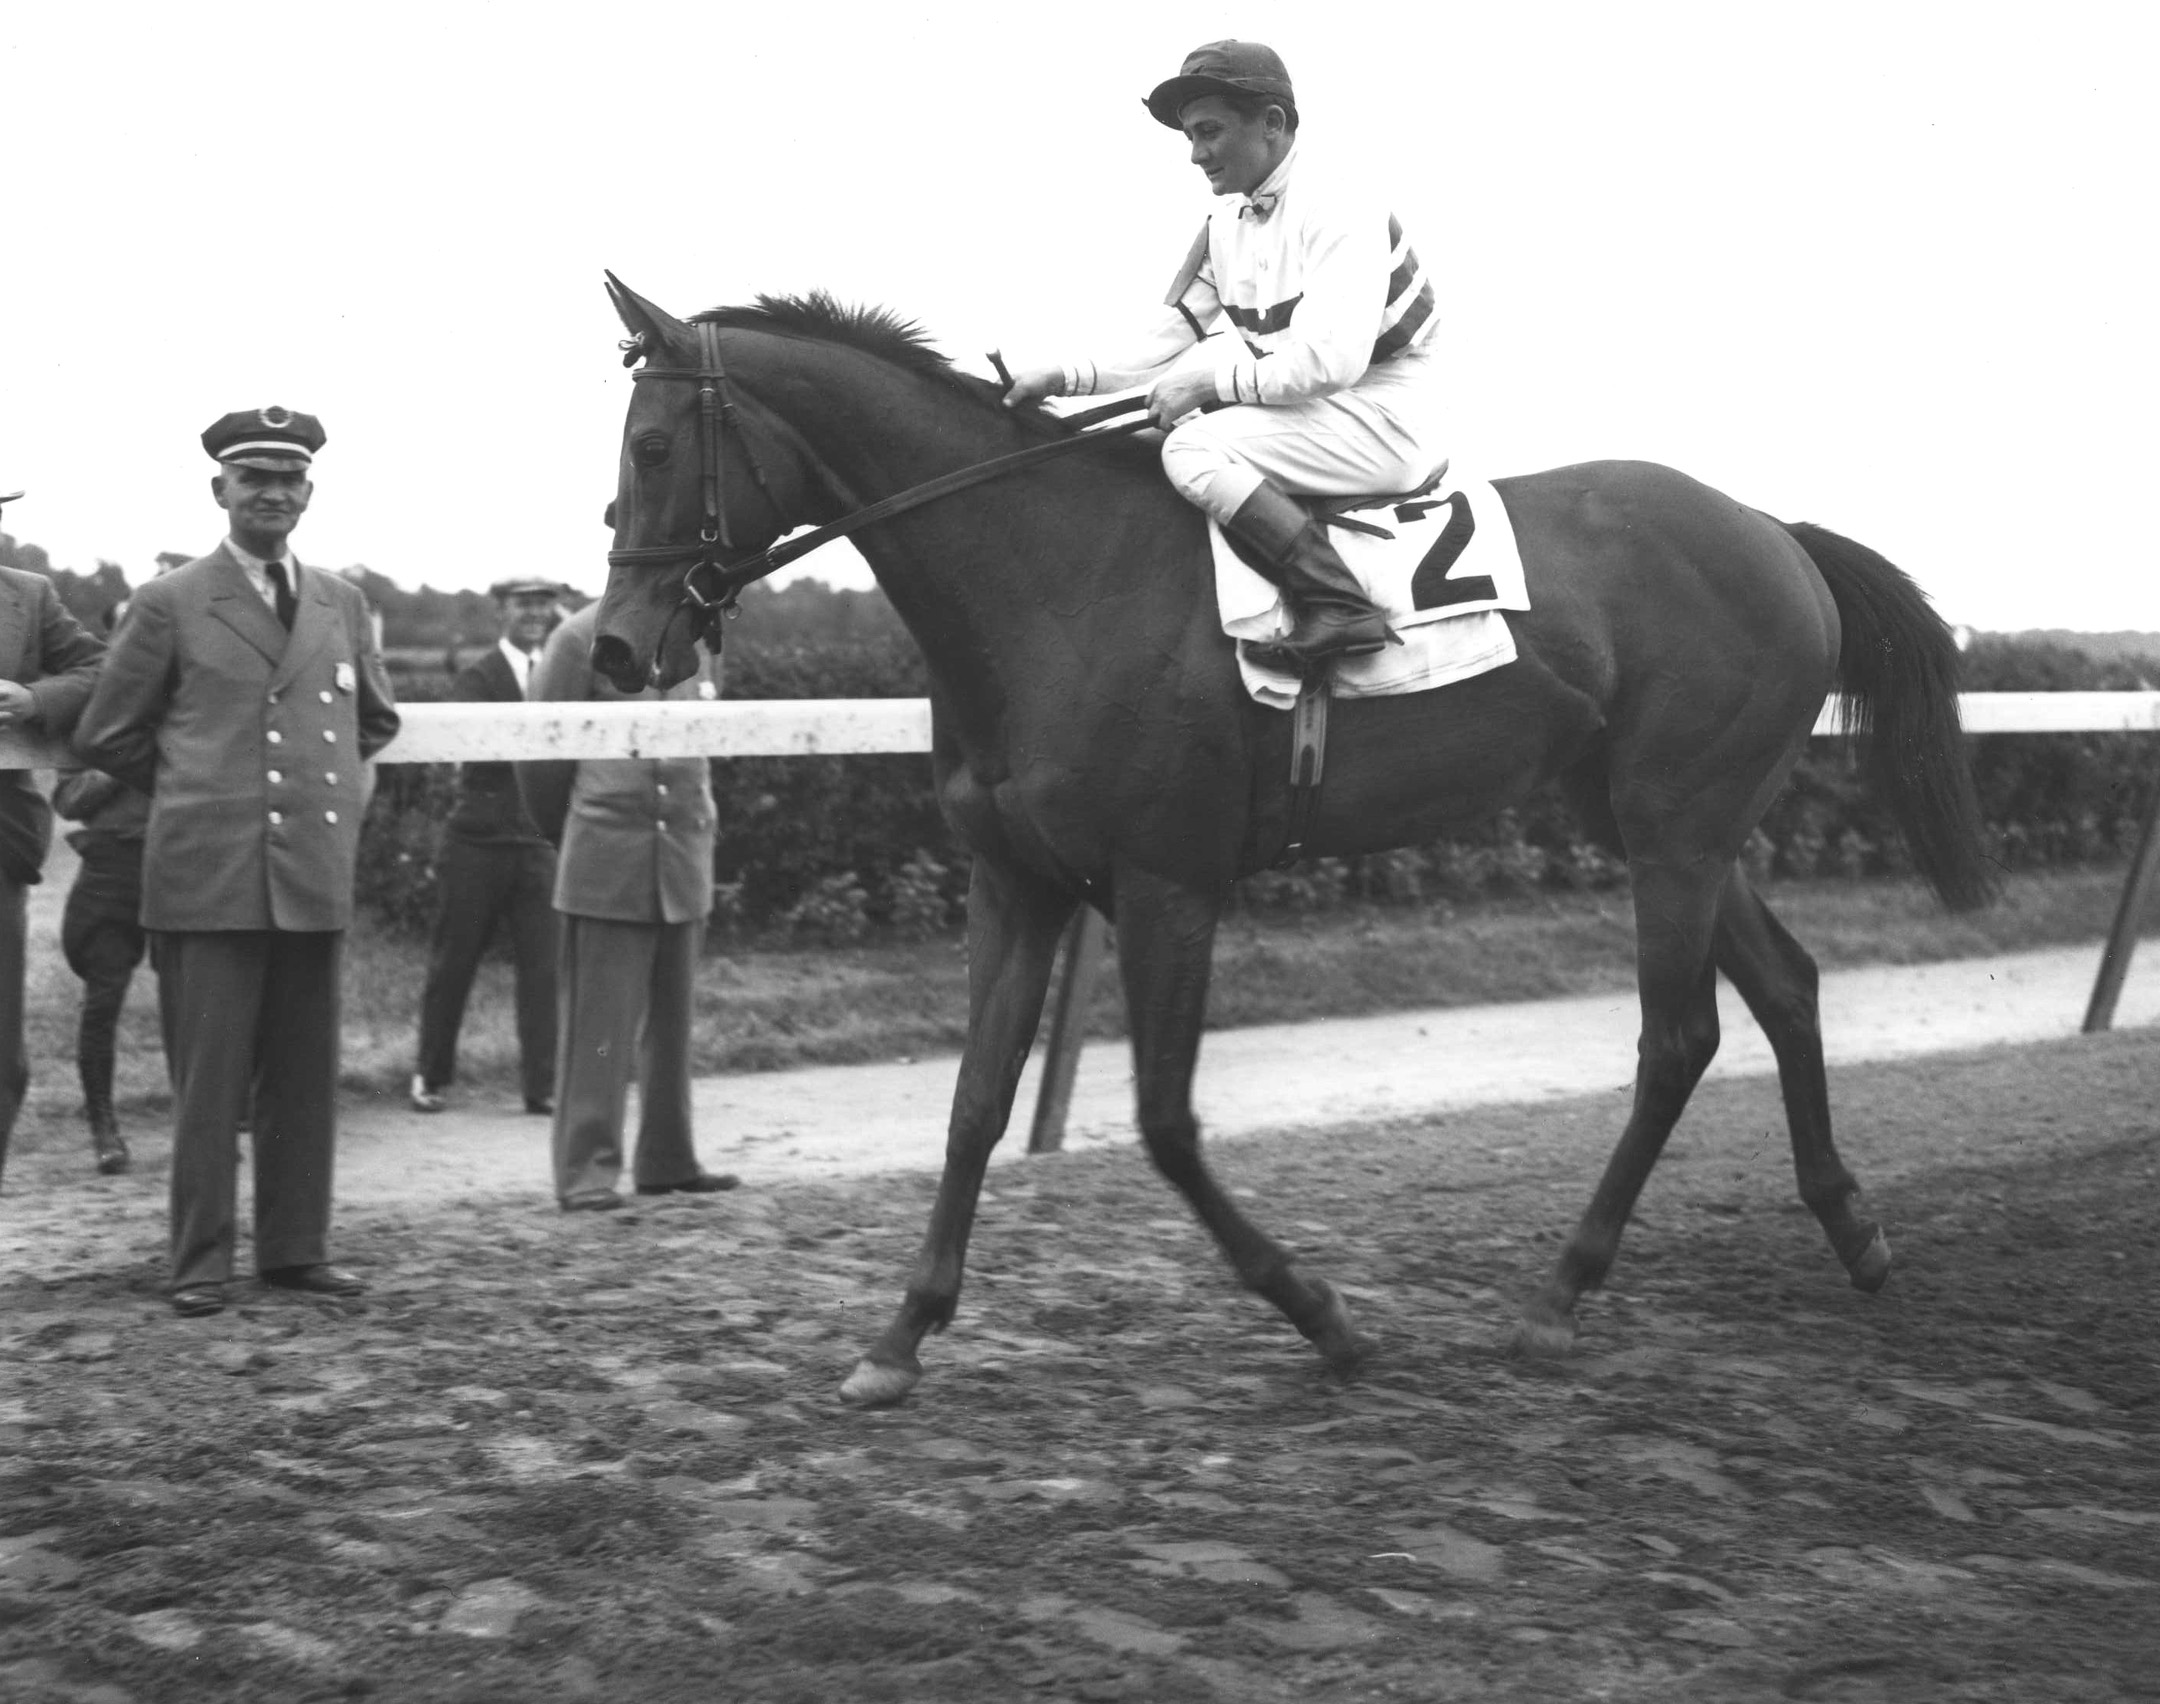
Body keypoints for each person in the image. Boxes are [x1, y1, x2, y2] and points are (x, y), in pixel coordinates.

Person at [74, 408, 399, 1317]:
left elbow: (374, 719)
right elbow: (107, 732)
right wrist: (196, 785)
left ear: (309, 493)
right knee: (209, 1086)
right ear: (220, 489)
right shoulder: (170, 601)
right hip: (207, 876)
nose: (273, 494)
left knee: (303, 1078)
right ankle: (200, 1263)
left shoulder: (341, 600)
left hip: (311, 873)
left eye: (289, 479)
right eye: (253, 477)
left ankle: (296, 1250)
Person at [1002, 39, 1446, 676]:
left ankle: (1341, 604)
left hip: (1389, 414)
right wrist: (1065, 377)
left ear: (1271, 122)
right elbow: (1169, 334)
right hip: (1322, 412)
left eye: (1209, 132)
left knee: (1192, 447)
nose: (1195, 154)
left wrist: (1207, 386)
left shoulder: (1341, 205)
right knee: (1146, 436)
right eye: (1188, 136)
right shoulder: (1224, 223)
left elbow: (1331, 364)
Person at [517, 602, 736, 1211]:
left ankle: (668, 1160)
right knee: (600, 1028)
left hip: (683, 852)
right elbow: (542, 758)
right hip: (605, 854)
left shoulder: (703, 636)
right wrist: (580, 835)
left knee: (673, 1024)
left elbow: (703, 736)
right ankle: (586, 1170)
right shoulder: (576, 639)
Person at [409, 576, 565, 1116]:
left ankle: (541, 1085)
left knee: (544, 968)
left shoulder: (562, 671)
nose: (534, 614)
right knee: (454, 961)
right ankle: (430, 1075)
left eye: (543, 604)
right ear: (501, 611)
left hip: (537, 841)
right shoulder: (479, 675)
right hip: (477, 839)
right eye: (523, 604)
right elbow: (477, 747)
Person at [0, 486, 107, 1191]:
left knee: (1, 1061)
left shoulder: (28, 596)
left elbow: (100, 669)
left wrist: (37, 701)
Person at [53, 603, 157, 1177]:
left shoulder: (189, 701)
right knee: (103, 1003)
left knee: (201, 999)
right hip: (113, 871)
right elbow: (67, 801)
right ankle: (104, 1127)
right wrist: (121, 758)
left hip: (182, 866)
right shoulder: (93, 709)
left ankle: (216, 1115)